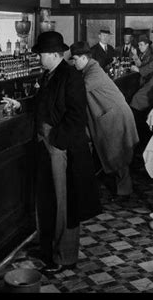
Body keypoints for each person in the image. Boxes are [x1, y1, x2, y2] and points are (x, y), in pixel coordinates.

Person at [32, 32, 101, 274]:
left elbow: (76, 115)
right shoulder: (50, 74)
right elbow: (44, 104)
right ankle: (49, 249)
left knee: (64, 203)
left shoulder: (70, 76)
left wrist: (54, 140)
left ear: (53, 55)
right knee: (48, 199)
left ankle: (64, 257)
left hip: (61, 147)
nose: (38, 57)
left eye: (41, 53)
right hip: (47, 143)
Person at [69, 41, 139, 201]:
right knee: (113, 154)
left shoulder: (94, 72)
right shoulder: (89, 68)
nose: (73, 63)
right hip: (110, 115)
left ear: (83, 58)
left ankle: (125, 192)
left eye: (75, 59)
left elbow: (77, 91)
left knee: (118, 155)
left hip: (115, 117)